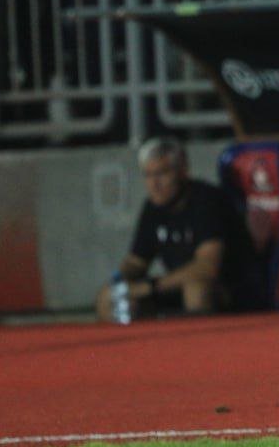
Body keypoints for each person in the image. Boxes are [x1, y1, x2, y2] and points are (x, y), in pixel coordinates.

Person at [95, 137, 258, 321]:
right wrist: (119, 281)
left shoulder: (207, 201)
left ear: (183, 171)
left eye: (161, 173)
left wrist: (151, 287)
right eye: (148, 175)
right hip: (175, 287)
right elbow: (136, 261)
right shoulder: (153, 208)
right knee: (109, 297)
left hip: (229, 290)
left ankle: (207, 339)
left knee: (196, 288)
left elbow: (206, 267)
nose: (154, 184)